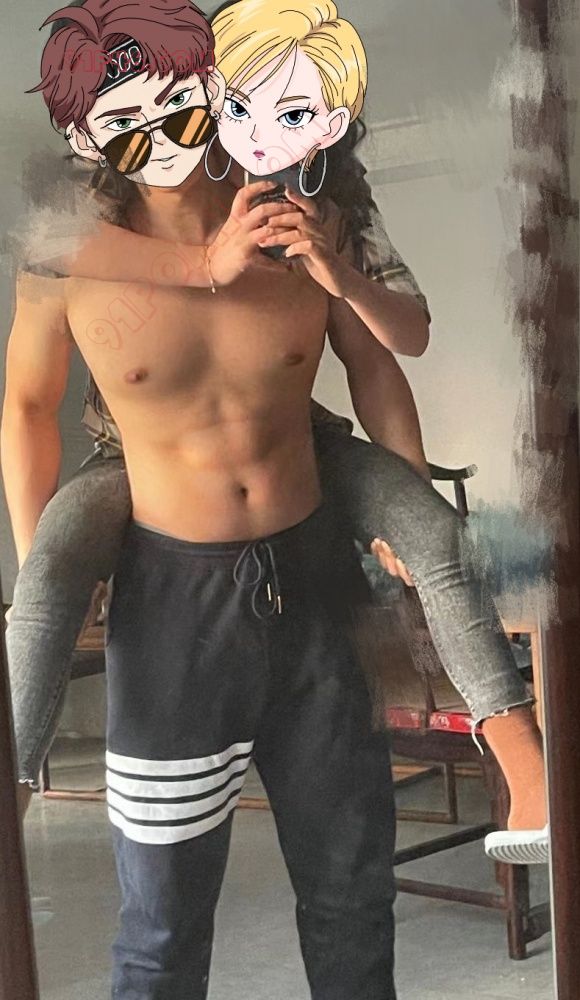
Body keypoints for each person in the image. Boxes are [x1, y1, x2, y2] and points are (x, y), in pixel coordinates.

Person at [4, 15, 547, 988]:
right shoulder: (70, 249)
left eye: (184, 105)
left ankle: (524, 758)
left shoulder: (306, 204)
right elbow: (27, 404)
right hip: (171, 598)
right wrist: (53, 550)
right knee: (161, 937)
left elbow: (377, 363)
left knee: (353, 907)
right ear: (84, 133)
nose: (163, 135)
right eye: (123, 120)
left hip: (316, 577)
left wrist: (404, 497)